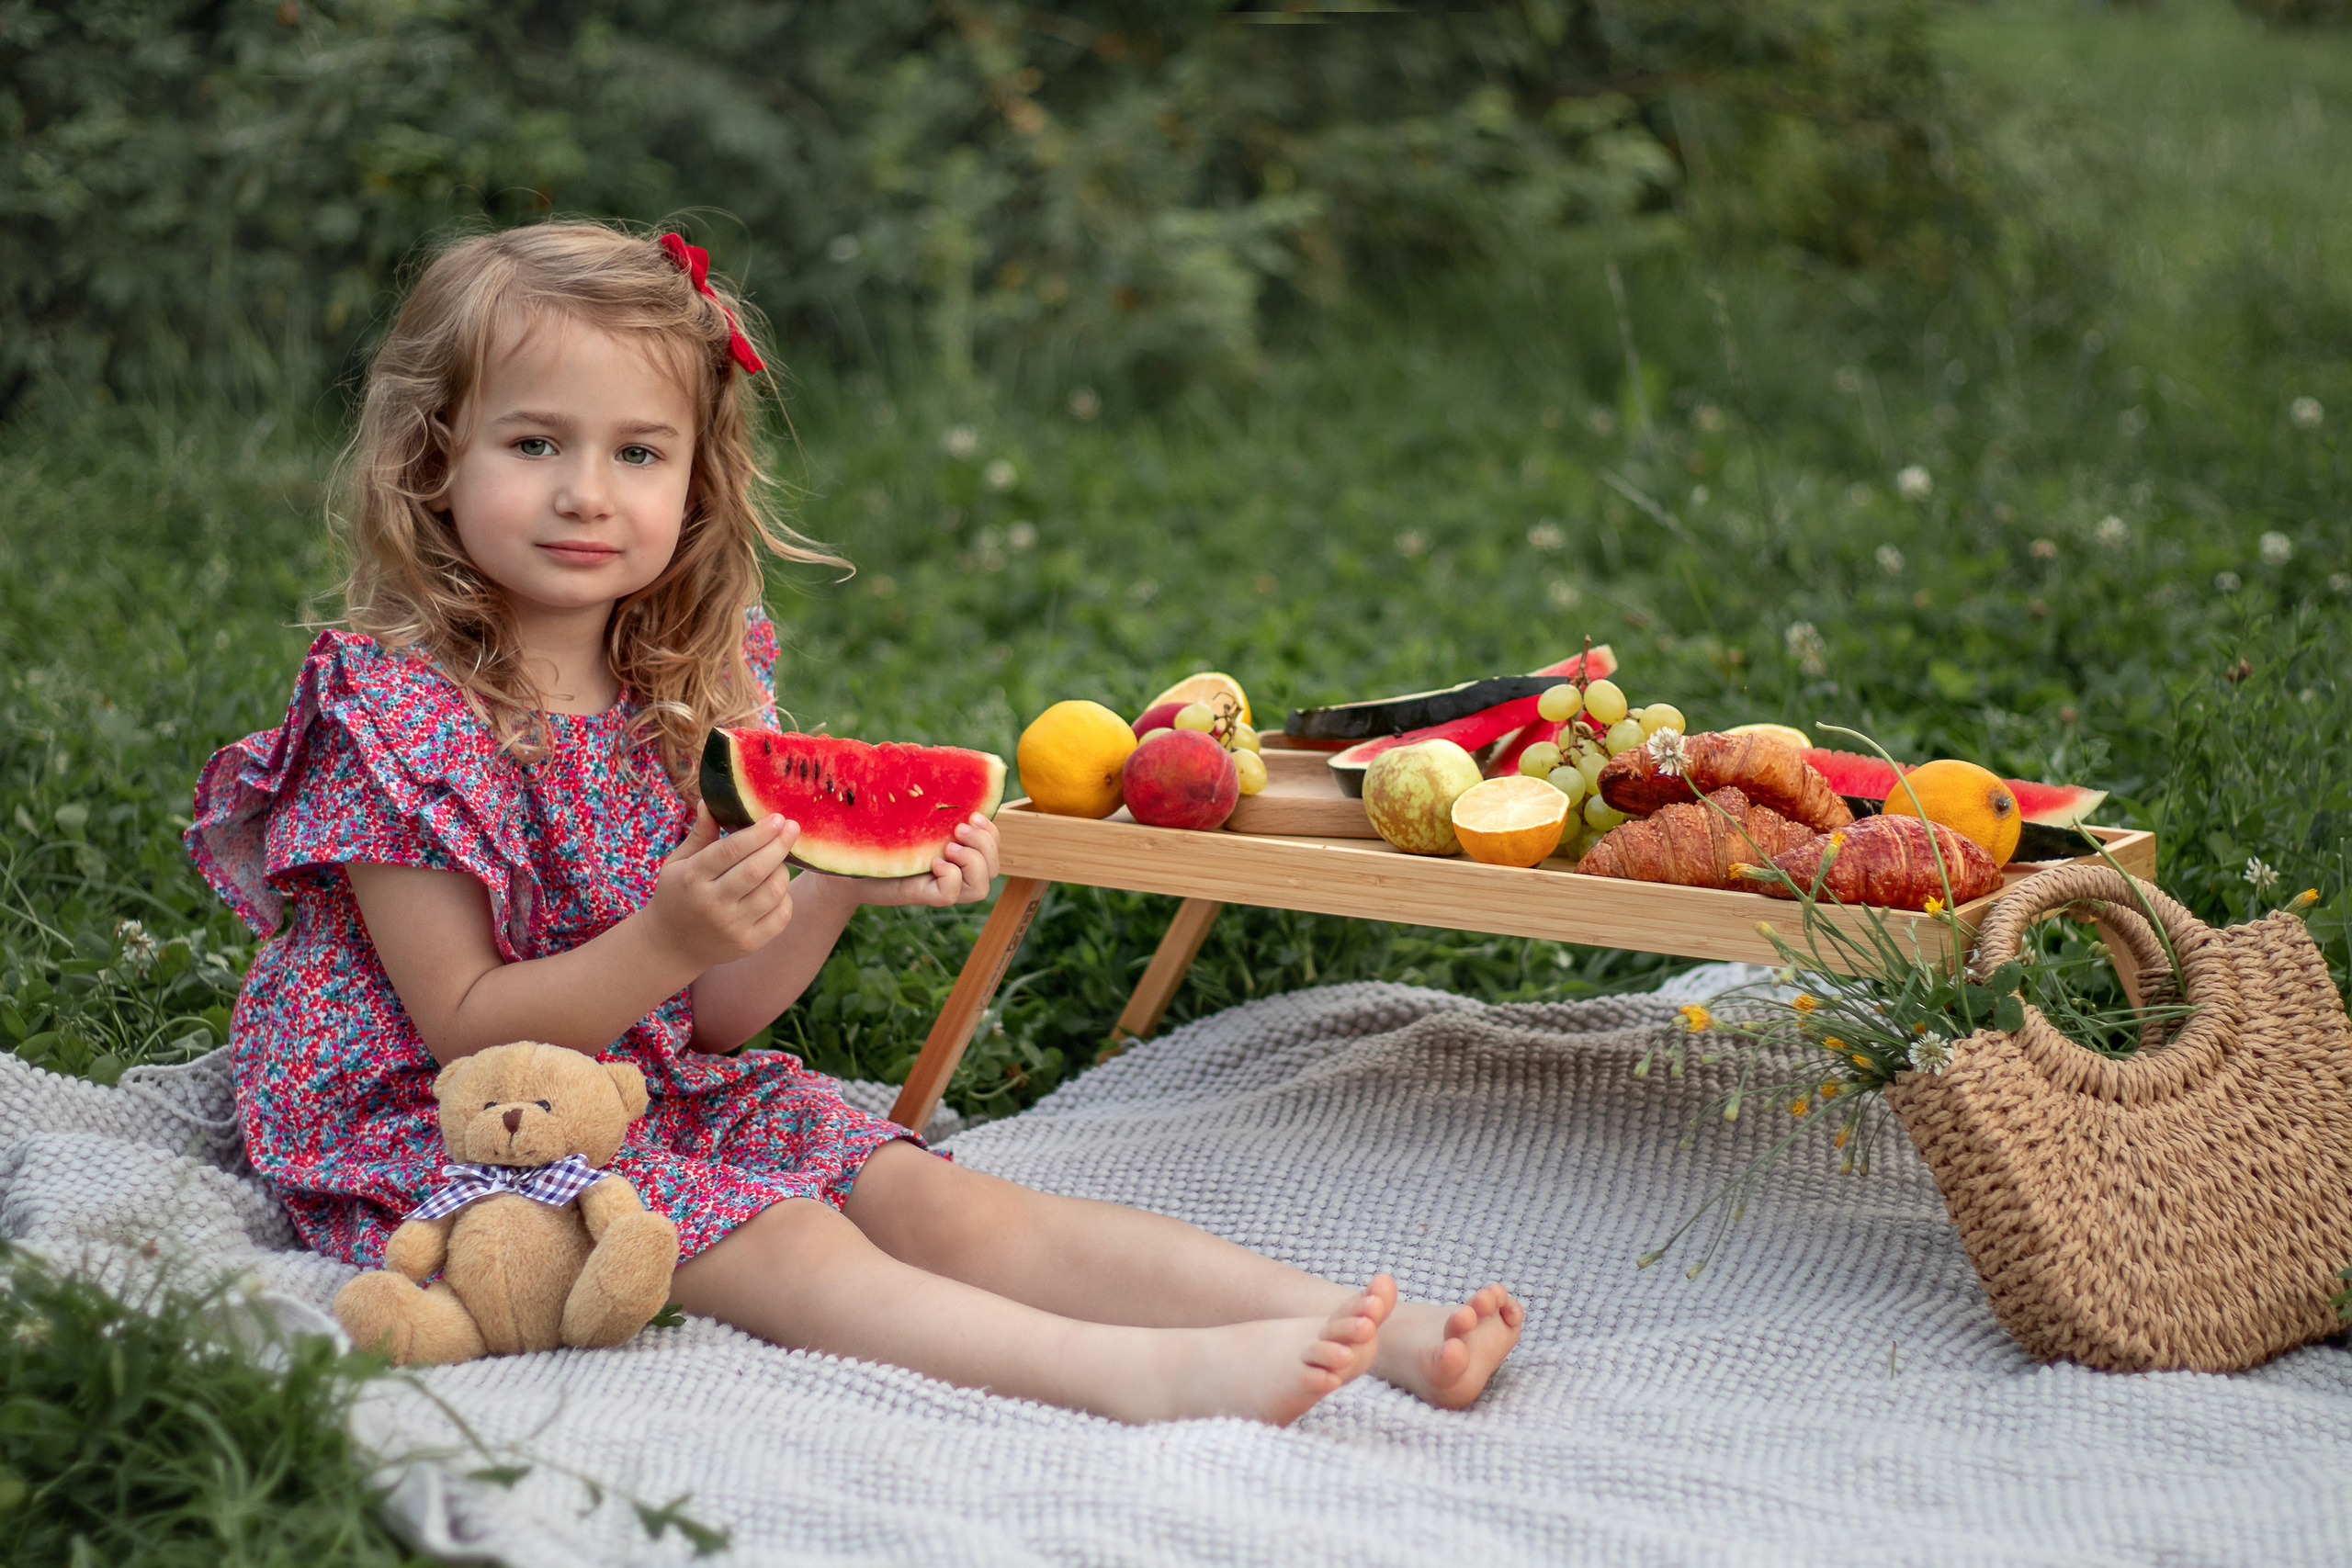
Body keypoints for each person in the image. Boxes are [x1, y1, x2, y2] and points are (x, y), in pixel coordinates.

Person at [188, 220, 1521, 1426]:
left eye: (637, 452)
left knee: (934, 1195)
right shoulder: (392, 716)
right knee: (780, 1240)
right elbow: (469, 1030)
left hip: (648, 1078)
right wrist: (664, 937)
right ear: (434, 461)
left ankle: (1371, 1325)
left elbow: (706, 1022)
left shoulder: (692, 697)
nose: (589, 493)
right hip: (446, 1115)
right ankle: (1141, 1379)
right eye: (536, 444)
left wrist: (830, 884)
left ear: (698, 481)